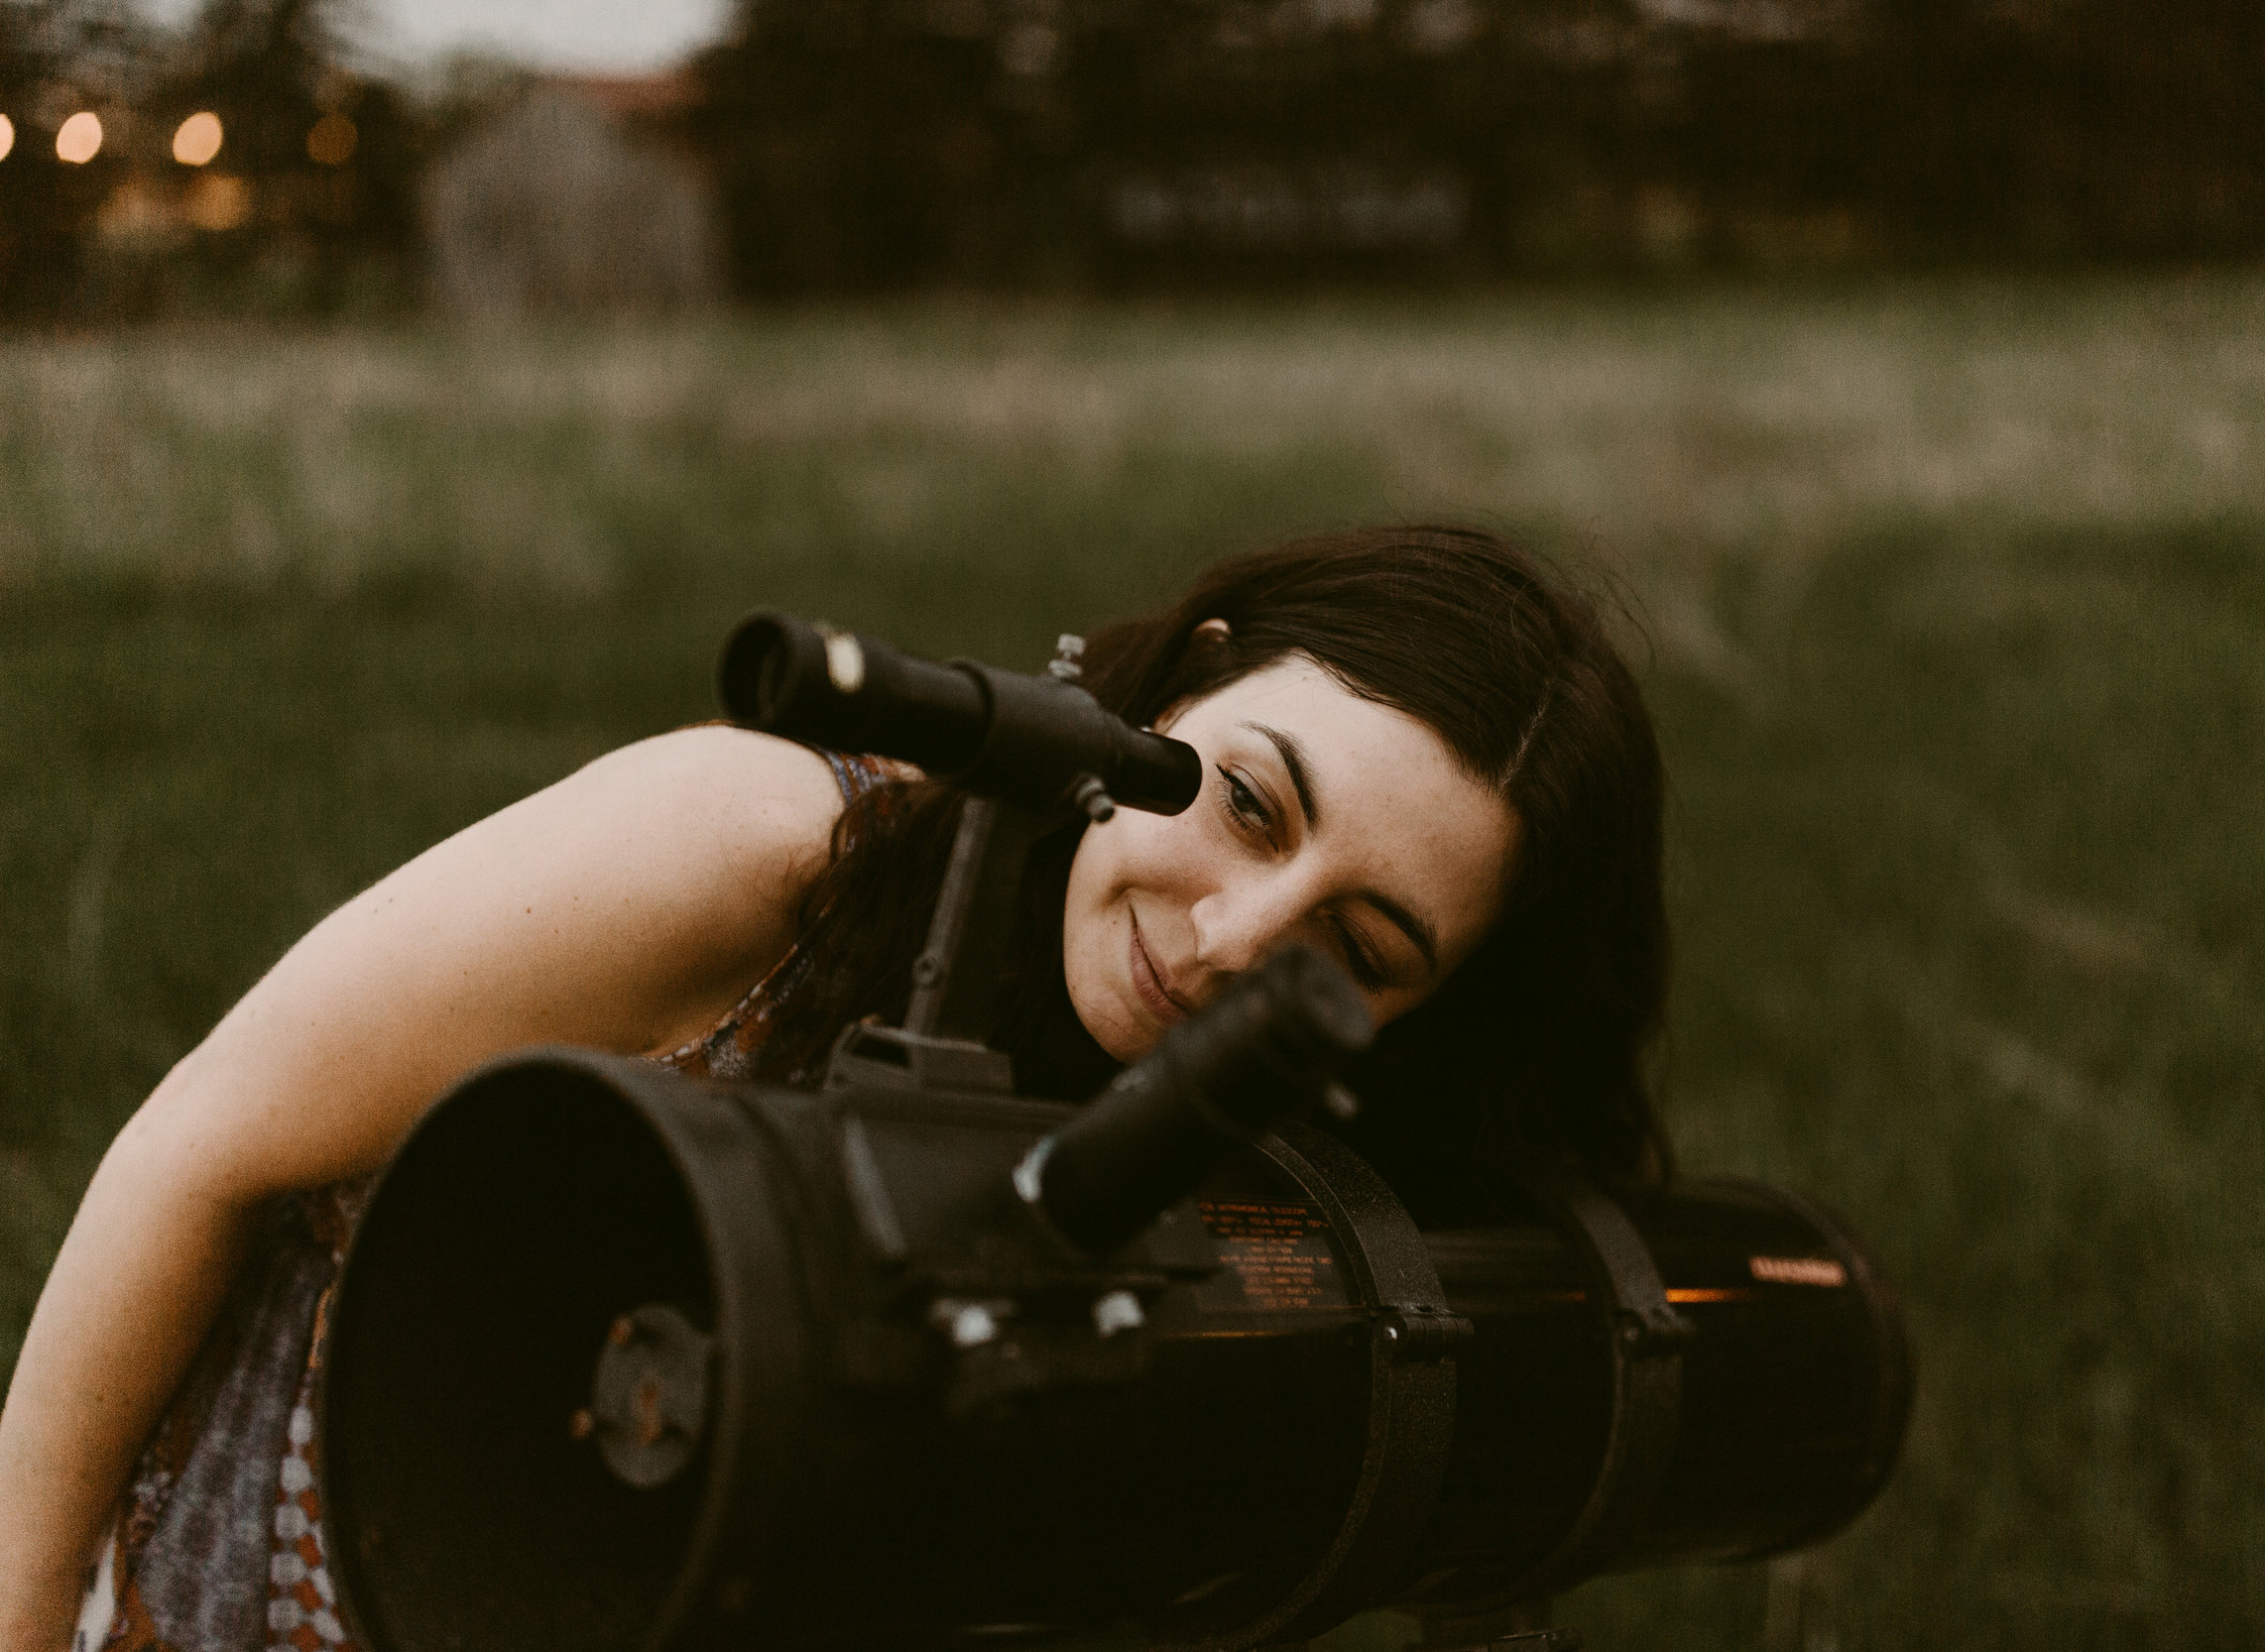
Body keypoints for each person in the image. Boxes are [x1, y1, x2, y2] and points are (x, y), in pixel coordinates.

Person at [0, 525, 1670, 1652]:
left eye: (1359, 951)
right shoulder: (769, 850)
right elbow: (197, 1148)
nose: (1238, 938)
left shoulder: (1285, 1200)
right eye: (1247, 801)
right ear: (1178, 690)